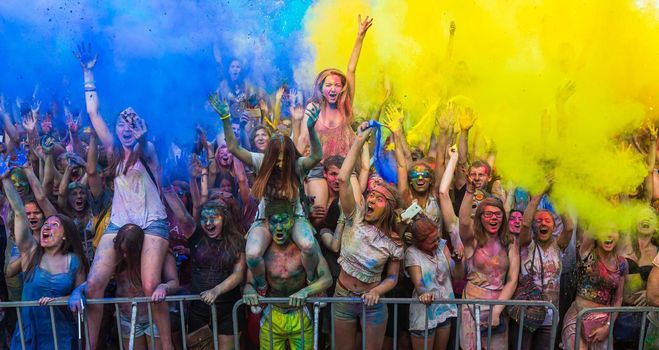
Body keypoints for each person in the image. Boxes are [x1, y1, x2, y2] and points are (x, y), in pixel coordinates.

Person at [72, 44, 174, 349]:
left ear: (139, 128)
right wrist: (88, 72)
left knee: (150, 285)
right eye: (121, 124)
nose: (125, 128)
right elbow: (93, 112)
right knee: (94, 285)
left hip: (152, 222)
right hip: (119, 222)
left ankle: (166, 346)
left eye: (131, 124)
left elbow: (151, 153)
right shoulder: (114, 152)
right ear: (116, 129)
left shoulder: (148, 153)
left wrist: (143, 138)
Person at [209, 96, 322, 298]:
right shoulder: (261, 162)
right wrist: (226, 118)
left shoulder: (297, 166)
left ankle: (312, 279)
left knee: (309, 245)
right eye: (275, 159)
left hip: (294, 217)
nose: (279, 164)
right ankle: (261, 285)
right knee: (252, 254)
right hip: (265, 219)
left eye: (283, 159)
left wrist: (311, 129)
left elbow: (316, 157)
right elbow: (234, 148)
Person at [333, 122, 404, 350]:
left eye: (378, 199)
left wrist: (377, 291)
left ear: (389, 208)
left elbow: (392, 278)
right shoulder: (355, 217)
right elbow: (343, 180)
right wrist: (359, 140)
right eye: (370, 196)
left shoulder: (394, 240)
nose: (371, 200)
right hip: (343, 297)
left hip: (373, 304)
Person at [2, 163, 88, 349]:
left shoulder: (75, 262)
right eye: (46, 225)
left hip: (62, 336)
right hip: (30, 334)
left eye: (54, 225)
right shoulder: (30, 252)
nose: (47, 227)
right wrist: (5, 180)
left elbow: (84, 293)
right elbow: (18, 212)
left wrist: (75, 293)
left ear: (65, 235)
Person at [297, 15, 374, 214]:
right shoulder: (312, 108)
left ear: (342, 89)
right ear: (321, 88)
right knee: (319, 212)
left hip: (345, 169)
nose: (333, 88)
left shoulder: (345, 107)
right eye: (328, 85)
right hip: (317, 168)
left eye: (337, 85)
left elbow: (351, 69)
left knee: (355, 212)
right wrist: (295, 171)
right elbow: (303, 139)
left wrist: (359, 37)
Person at [242, 201, 333, 350]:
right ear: (266, 223)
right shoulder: (261, 251)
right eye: (274, 222)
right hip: (271, 314)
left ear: (292, 221)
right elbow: (249, 284)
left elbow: (327, 278)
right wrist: (250, 292)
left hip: (300, 314)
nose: (279, 227)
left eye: (283, 221)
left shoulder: (306, 248)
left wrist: (306, 291)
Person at [509, 193, 573, 350]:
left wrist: (555, 196)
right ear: (533, 226)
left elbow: (570, 227)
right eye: (538, 221)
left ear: (554, 226)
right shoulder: (526, 244)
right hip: (525, 314)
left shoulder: (558, 246)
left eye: (547, 220)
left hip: (550, 317)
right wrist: (539, 195)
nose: (543, 223)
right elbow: (524, 225)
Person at [458, 195, 520, 350]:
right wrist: (469, 192)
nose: (494, 218)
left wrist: (497, 311)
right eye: (488, 214)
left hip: (498, 303)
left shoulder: (510, 242)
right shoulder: (473, 240)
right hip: (472, 306)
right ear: (480, 217)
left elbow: (512, 280)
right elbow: (464, 222)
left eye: (498, 214)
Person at [188, 200, 246, 350]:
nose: (208, 223)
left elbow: (239, 273)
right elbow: (182, 216)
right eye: (204, 219)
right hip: (199, 309)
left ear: (224, 218)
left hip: (229, 308)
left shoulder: (238, 240)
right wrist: (167, 188)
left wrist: (216, 290)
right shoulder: (196, 237)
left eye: (213, 218)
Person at [113, 224, 179, 350]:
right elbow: (96, 279)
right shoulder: (117, 255)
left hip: (154, 317)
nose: (125, 256)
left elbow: (174, 282)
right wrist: (79, 291)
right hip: (128, 316)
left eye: (129, 252)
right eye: (122, 252)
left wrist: (163, 288)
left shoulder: (159, 252)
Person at [405, 213, 464, 350]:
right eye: (432, 241)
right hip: (424, 314)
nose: (436, 243)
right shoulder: (412, 252)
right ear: (419, 242)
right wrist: (424, 293)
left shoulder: (442, 246)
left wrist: (458, 262)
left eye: (437, 238)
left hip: (444, 310)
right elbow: (418, 283)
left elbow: (458, 276)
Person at [561, 229, 627, 350]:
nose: (608, 234)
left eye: (613, 230)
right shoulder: (586, 254)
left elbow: (618, 299)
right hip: (577, 318)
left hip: (601, 323)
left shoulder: (622, 263)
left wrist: (608, 326)